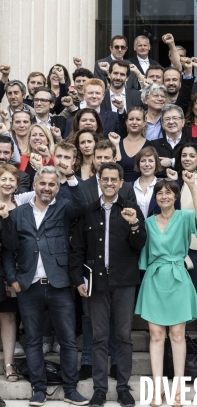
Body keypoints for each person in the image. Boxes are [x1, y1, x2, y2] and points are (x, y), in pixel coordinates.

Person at [3, 165, 89, 407]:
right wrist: (12, 279)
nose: (47, 188)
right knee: (32, 340)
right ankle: (38, 389)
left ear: (57, 187)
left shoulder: (64, 209)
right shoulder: (18, 213)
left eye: (52, 184)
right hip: (28, 286)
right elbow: (9, 251)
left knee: (68, 339)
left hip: (59, 284)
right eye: (43, 183)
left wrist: (71, 177)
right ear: (34, 186)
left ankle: (70, 389)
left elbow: (82, 203)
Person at [70, 162, 145, 407]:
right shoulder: (88, 211)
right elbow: (77, 249)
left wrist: (134, 224)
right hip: (96, 284)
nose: (110, 183)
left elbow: (140, 244)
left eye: (114, 179)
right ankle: (99, 390)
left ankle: (123, 387)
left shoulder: (132, 209)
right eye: (106, 179)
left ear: (121, 182)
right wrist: (78, 279)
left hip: (124, 282)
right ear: (99, 181)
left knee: (123, 336)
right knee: (99, 337)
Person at [134, 174, 197, 407]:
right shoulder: (148, 222)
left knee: (177, 335)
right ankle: (158, 389)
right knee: (156, 336)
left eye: (168, 192)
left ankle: (177, 389)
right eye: (160, 192)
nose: (164, 196)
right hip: (154, 279)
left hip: (177, 277)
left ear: (175, 196)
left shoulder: (184, 217)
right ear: (155, 197)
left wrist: (191, 185)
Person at [171, 142, 197, 349]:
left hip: (196, 242)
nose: (187, 159)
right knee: (177, 290)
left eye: (192, 156)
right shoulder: (175, 179)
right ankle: (178, 334)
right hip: (174, 244)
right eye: (184, 155)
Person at [0, 164, 21, 387]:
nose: (7, 183)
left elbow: (13, 244)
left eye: (11, 180)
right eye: (3, 179)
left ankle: (8, 364)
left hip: (9, 269)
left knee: (9, 316)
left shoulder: (19, 206)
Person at [82, 140, 137, 204]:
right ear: (93, 159)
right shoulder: (83, 187)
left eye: (106, 158)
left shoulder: (127, 188)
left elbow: (133, 212)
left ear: (114, 160)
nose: (102, 161)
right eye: (99, 157)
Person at [149, 105, 197, 171]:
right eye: (167, 119)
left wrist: (172, 162)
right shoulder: (153, 145)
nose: (171, 122)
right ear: (162, 125)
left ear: (183, 122)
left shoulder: (195, 142)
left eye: (175, 118)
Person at [133, 146, 164, 218]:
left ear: (156, 164)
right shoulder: (130, 186)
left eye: (151, 161)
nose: (147, 164)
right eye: (143, 161)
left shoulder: (163, 186)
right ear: (138, 164)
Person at [119, 106, 149, 182]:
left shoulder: (150, 145)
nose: (134, 122)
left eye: (138, 119)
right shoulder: (117, 144)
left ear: (144, 123)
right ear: (126, 122)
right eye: (131, 119)